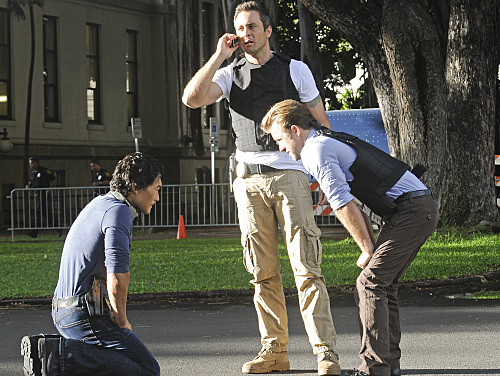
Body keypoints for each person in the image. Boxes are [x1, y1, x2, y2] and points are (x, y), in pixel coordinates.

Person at [182, 2, 340, 375]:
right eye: (240, 28)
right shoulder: (227, 73)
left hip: (290, 176)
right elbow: (191, 98)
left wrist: (323, 173)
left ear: (267, 31)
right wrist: (219, 54)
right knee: (262, 272)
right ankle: (274, 352)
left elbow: (321, 124)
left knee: (307, 268)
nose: (245, 33)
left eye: (252, 26)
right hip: (248, 180)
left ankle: (325, 353)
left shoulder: (294, 69)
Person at [261, 99, 440, 376]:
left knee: (369, 283)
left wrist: (367, 248)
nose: (280, 148)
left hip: (412, 209)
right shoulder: (324, 140)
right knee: (382, 284)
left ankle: (373, 368)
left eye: (280, 139)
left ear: (295, 130)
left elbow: (342, 203)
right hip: (414, 207)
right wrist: (368, 245)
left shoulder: (315, 151)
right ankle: (387, 367)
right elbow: (354, 206)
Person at [21, 152, 163, 376]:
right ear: (136, 186)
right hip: (80, 314)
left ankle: (59, 355)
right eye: (156, 189)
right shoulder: (119, 211)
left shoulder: (101, 203)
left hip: (63, 309)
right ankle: (56, 355)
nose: (157, 197)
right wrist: (121, 318)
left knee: (118, 365)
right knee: (147, 369)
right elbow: (117, 274)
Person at [25, 156, 62, 238]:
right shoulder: (32, 173)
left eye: (32, 164)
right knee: (46, 214)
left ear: (36, 163)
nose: (31, 166)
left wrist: (50, 188)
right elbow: (32, 181)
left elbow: (53, 179)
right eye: (30, 164)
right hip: (37, 194)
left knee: (38, 212)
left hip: (43, 194)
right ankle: (59, 228)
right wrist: (29, 185)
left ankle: (34, 232)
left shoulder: (44, 170)